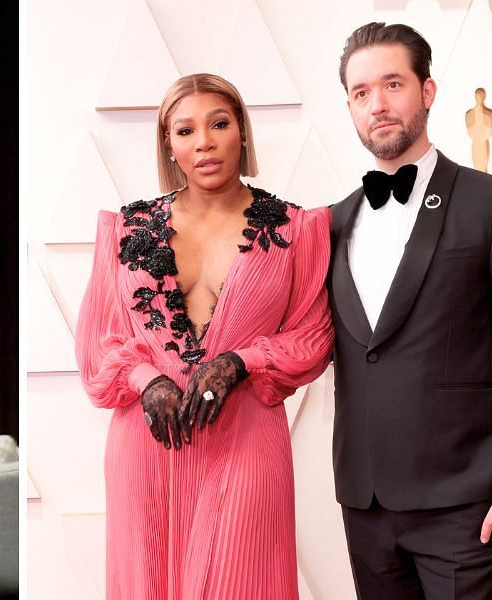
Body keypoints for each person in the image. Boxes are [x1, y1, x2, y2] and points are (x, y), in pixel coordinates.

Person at [329, 22, 492, 598]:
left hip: (468, 502)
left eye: (392, 85)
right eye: (361, 93)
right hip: (365, 502)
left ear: (427, 91)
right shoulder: (332, 222)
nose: (377, 105)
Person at [75, 73, 333, 598]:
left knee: (247, 579)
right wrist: (148, 379)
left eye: (219, 124)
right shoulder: (128, 230)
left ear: (242, 131)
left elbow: (313, 334)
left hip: (245, 439)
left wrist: (240, 360)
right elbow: (98, 342)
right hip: (148, 443)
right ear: (168, 144)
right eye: (185, 131)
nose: (205, 143)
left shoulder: (295, 229)